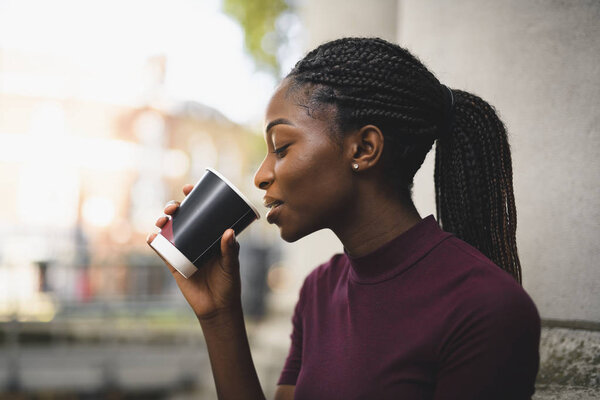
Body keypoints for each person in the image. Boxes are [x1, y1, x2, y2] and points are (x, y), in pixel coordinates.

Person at [147, 37, 540, 400]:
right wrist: (219, 316)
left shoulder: (488, 308)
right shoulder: (320, 289)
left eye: (281, 148)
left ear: (365, 148)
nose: (261, 175)